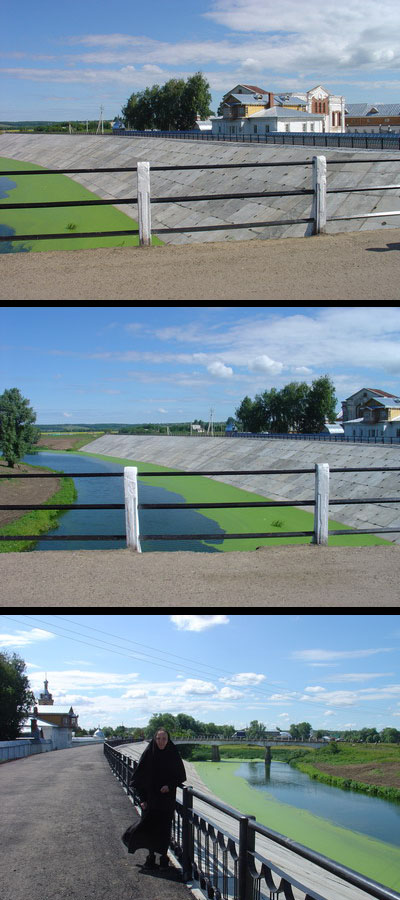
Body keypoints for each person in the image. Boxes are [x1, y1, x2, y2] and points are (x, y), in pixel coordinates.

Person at [122, 728, 186, 869]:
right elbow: (137, 779)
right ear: (154, 739)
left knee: (164, 829)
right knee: (149, 828)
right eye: (158, 738)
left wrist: (169, 786)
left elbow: (181, 775)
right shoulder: (149, 754)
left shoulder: (172, 754)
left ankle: (164, 858)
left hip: (166, 800)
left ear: (168, 740)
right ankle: (150, 857)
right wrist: (142, 799)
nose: (161, 742)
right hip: (150, 800)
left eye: (164, 739)